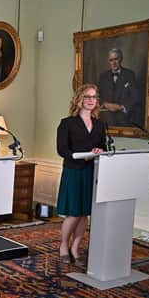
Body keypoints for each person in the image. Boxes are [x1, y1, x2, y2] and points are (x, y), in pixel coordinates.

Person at [56, 84, 106, 265]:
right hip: (74, 170)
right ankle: (63, 245)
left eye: (94, 97)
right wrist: (79, 157)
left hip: (91, 171)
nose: (92, 100)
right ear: (79, 100)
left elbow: (104, 147)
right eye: (87, 97)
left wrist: (99, 150)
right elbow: (61, 149)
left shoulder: (100, 125)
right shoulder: (67, 123)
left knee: (85, 213)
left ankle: (75, 247)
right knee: (74, 213)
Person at [97, 48, 139, 126]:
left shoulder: (129, 74)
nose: (114, 63)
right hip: (106, 116)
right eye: (111, 60)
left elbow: (135, 96)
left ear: (121, 59)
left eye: (116, 59)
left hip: (124, 116)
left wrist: (121, 107)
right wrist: (105, 104)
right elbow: (98, 95)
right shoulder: (103, 76)